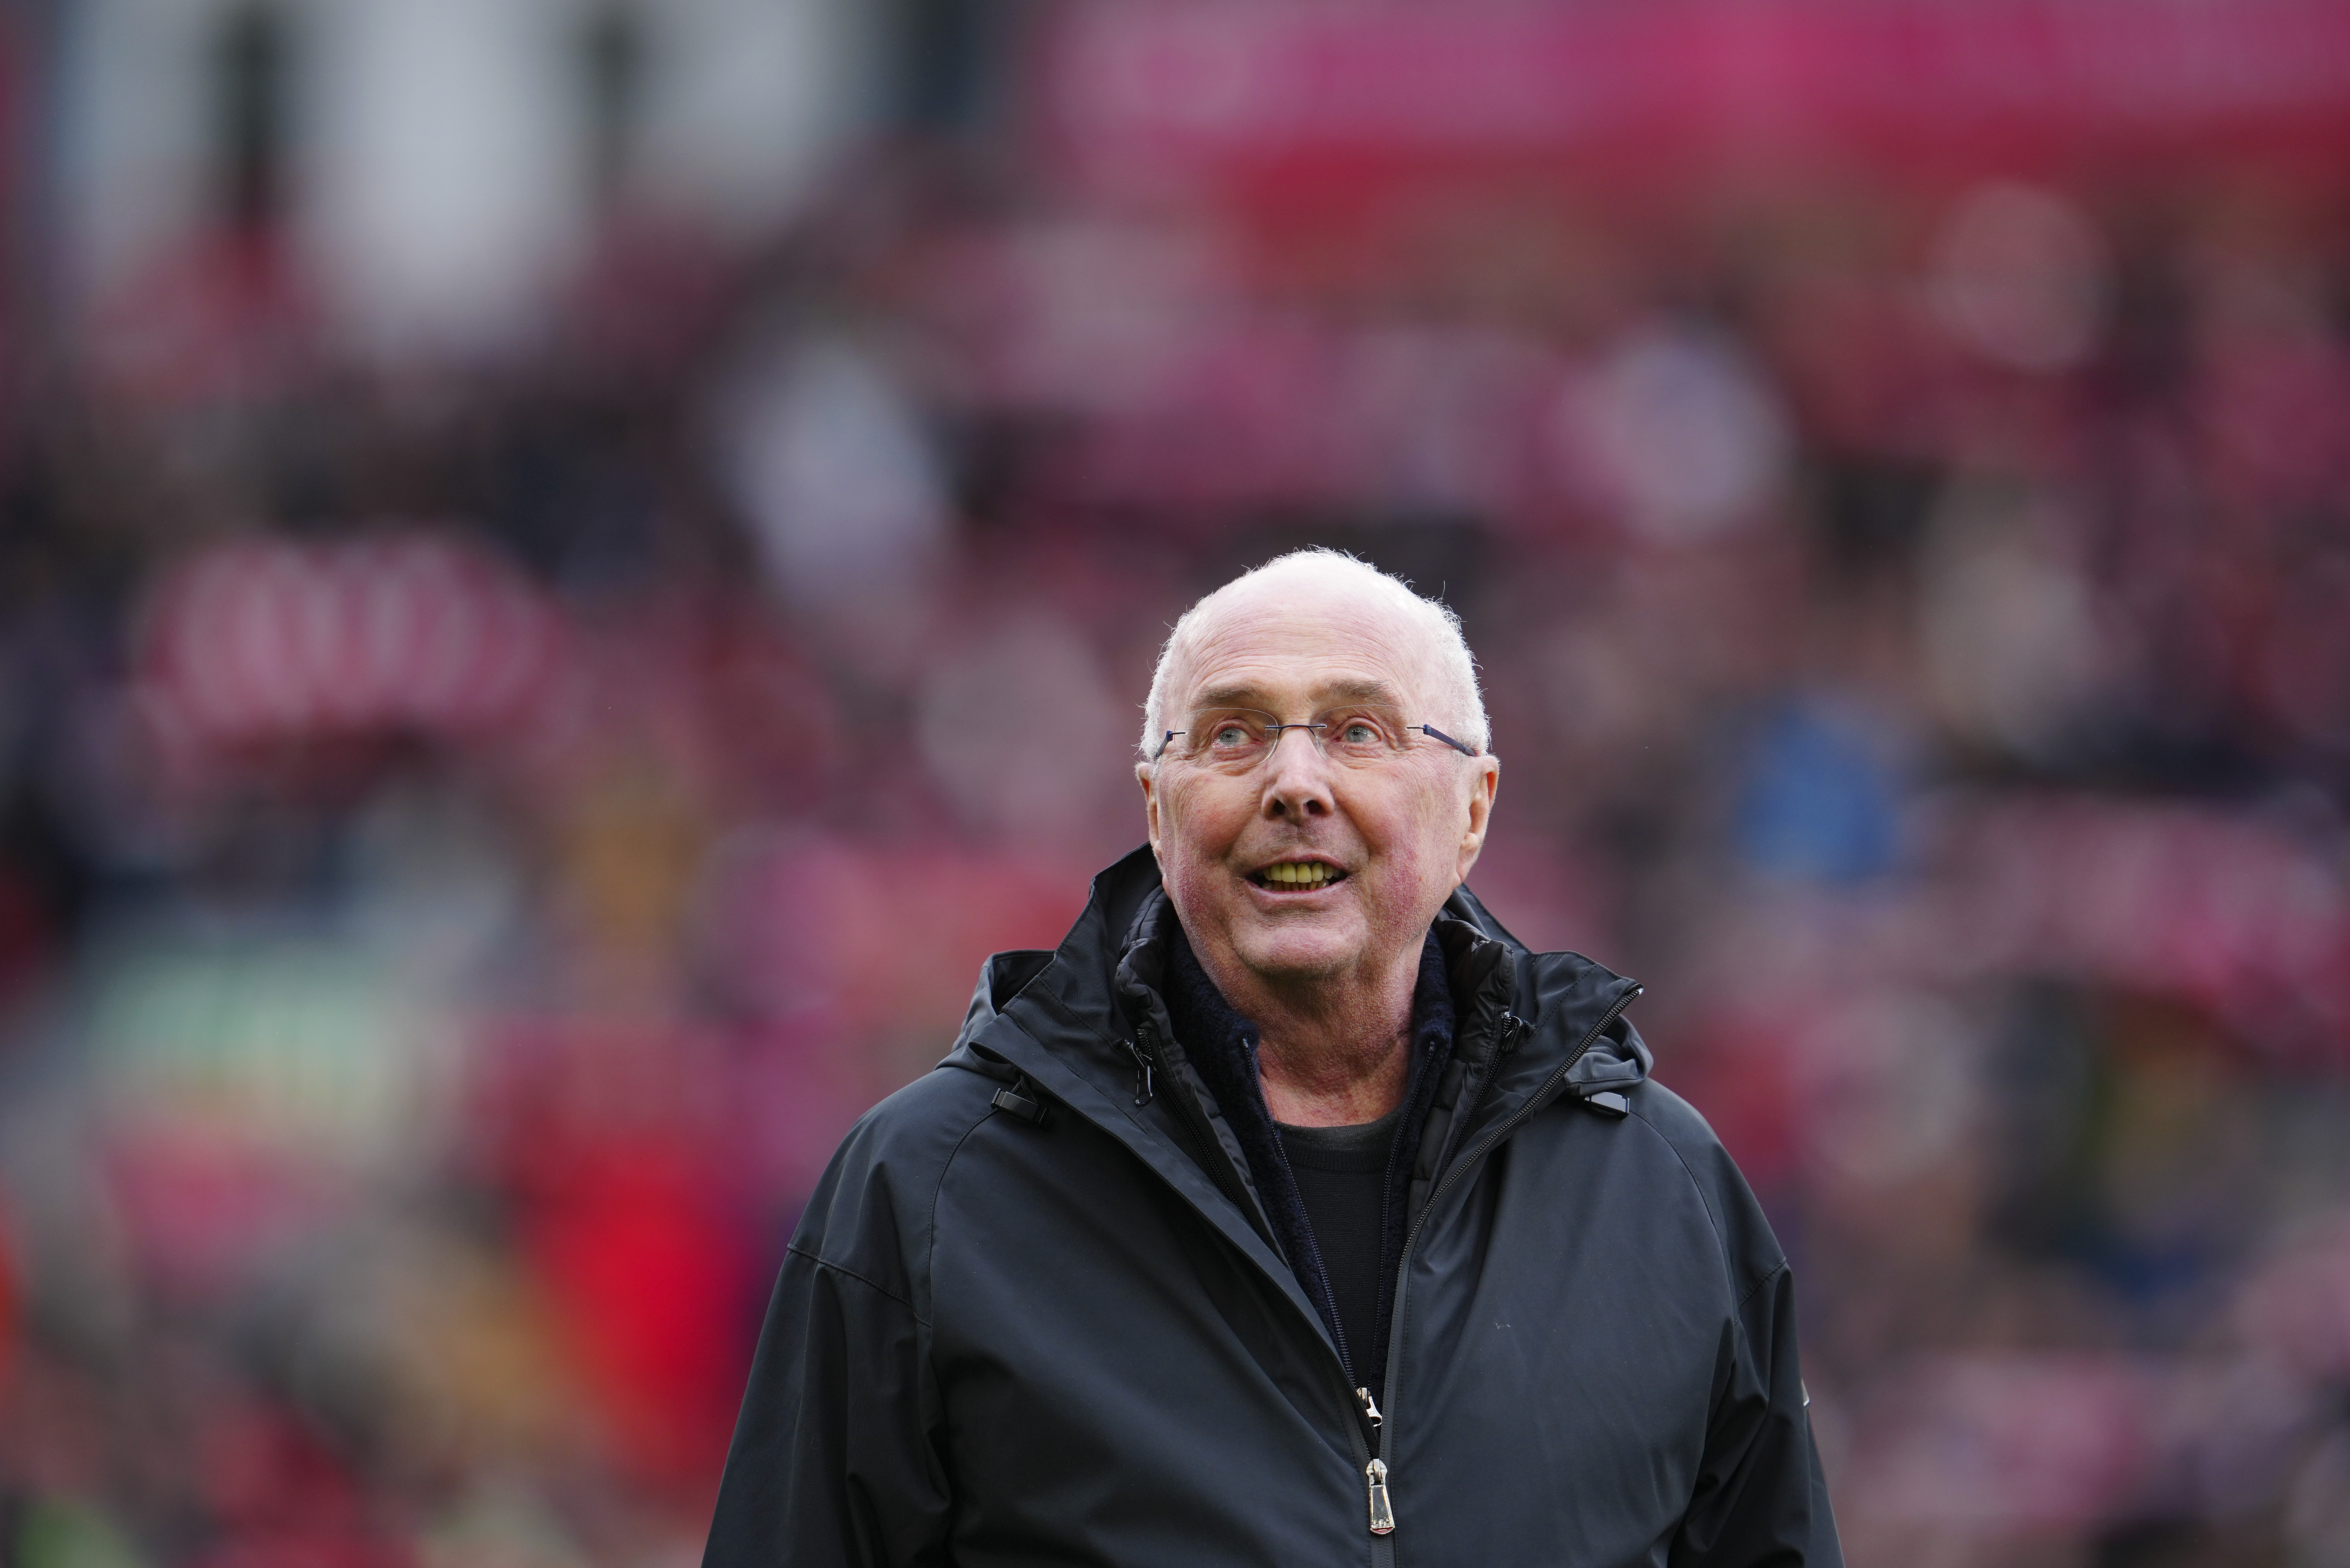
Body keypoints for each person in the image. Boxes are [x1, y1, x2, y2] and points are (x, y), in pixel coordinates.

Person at [704, 550, 1842, 1566]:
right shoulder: (928, 1188)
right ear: (1156, 809)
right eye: (1233, 733)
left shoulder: (1663, 1187)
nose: (1295, 785)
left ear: (1472, 810)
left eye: (1358, 731)